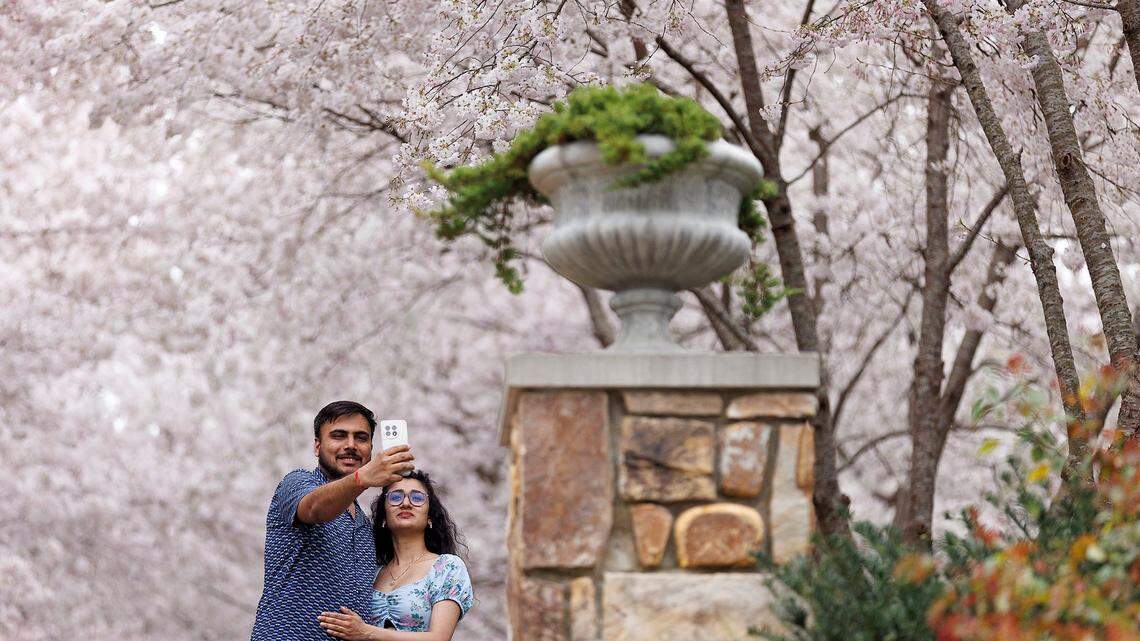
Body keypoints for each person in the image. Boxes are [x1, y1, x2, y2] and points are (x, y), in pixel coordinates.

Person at [250, 400, 415, 641]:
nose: (350, 446)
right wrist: (364, 478)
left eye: (361, 438)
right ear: (317, 446)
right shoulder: (296, 483)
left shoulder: (364, 525)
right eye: (338, 436)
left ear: (371, 448)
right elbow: (315, 508)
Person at [317, 470, 474, 640]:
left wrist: (366, 632)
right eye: (395, 497)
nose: (406, 503)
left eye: (417, 498)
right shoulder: (371, 572)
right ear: (384, 516)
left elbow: (439, 638)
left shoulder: (447, 567)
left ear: (430, 517)